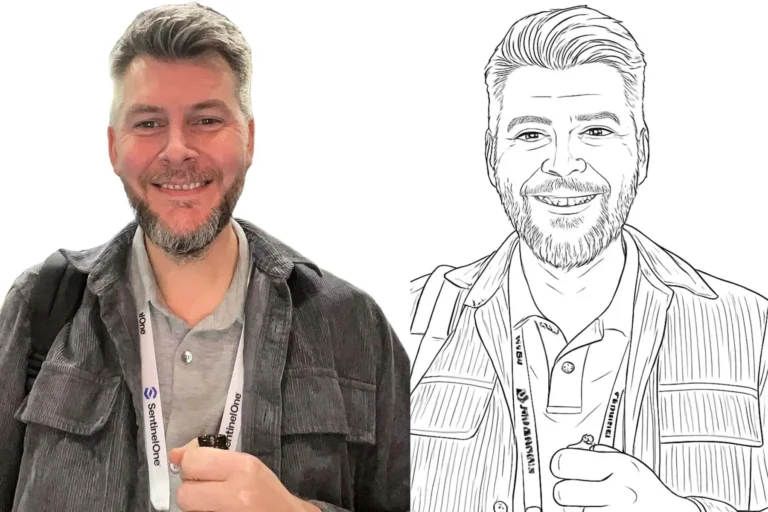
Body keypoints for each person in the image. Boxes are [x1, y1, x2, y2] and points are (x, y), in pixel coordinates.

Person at [0, 3, 409, 511]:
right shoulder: (40, 308)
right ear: (113, 148)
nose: (177, 150)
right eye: (148, 123)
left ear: (250, 138)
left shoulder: (354, 328)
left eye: (207, 120)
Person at [409, 6, 767, 512]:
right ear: (492, 157)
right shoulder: (405, 323)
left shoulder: (752, 331)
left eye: (596, 132)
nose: (562, 164)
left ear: (642, 151)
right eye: (531, 134)